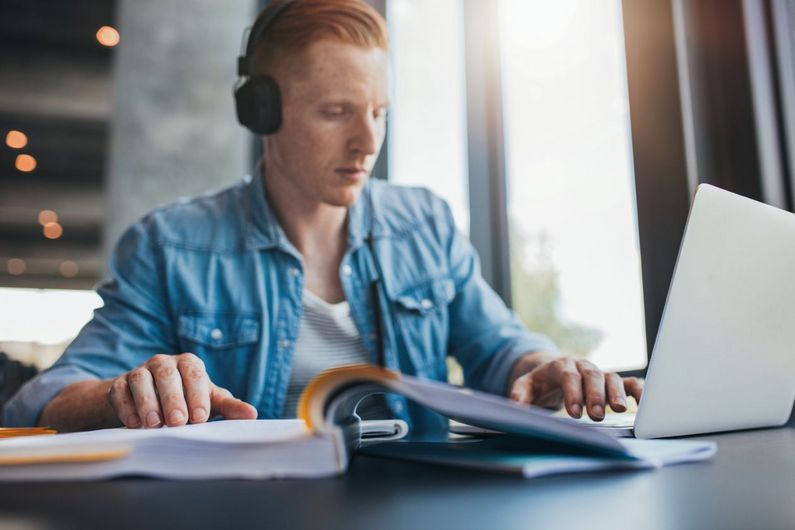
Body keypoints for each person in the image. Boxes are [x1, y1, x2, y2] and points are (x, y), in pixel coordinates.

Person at [3, 0, 642, 434]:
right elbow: (41, 399)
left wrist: (548, 366)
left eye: (380, 112)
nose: (369, 142)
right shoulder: (171, 245)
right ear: (262, 114)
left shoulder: (426, 224)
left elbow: (501, 349)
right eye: (337, 112)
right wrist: (122, 393)